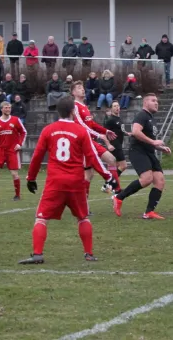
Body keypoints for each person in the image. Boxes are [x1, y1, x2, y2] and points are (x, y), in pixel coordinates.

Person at [19, 96, 115, 265]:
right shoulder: (81, 131)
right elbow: (92, 157)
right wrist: (107, 176)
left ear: (58, 111)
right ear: (73, 111)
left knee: (41, 218)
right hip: (76, 182)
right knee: (83, 217)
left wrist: (31, 178)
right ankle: (89, 253)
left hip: (55, 182)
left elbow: (37, 156)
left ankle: (37, 254)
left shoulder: (49, 130)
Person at [112, 94, 171, 219]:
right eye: (153, 100)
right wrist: (154, 142)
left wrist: (160, 147)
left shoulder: (151, 118)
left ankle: (149, 212)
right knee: (146, 179)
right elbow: (136, 132)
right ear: (145, 103)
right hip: (138, 151)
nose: (156, 103)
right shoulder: (142, 115)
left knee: (159, 181)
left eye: (157, 101)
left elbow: (150, 140)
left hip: (149, 152)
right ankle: (118, 198)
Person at [70, 81, 121, 200]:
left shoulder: (84, 106)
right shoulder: (75, 106)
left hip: (90, 141)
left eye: (82, 87)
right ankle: (116, 190)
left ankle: (85, 202)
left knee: (89, 174)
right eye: (78, 88)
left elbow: (91, 123)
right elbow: (81, 125)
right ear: (73, 92)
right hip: (84, 142)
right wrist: (99, 135)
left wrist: (105, 131)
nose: (82, 89)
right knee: (110, 160)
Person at [0, 101, 27, 201]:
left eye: (9, 107)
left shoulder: (16, 120)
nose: (8, 109)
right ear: (1, 109)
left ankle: (17, 195)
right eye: (6, 108)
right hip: (0, 150)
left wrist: (19, 144)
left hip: (12, 150)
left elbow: (23, 132)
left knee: (14, 174)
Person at [103, 100, 130, 183]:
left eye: (118, 106)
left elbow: (119, 130)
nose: (117, 107)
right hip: (115, 145)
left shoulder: (119, 118)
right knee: (123, 165)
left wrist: (127, 133)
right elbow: (103, 133)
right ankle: (109, 183)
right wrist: (108, 144)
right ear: (111, 109)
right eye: (114, 106)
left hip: (119, 144)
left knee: (115, 166)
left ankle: (111, 185)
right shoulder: (110, 120)